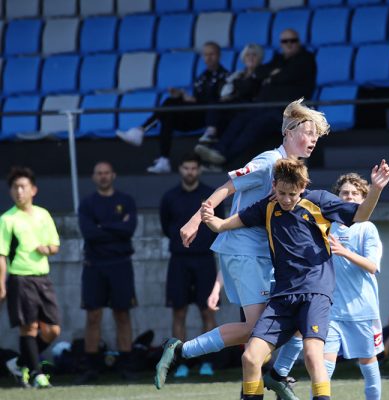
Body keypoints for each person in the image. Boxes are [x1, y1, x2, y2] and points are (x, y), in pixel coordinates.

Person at [154, 98, 330, 389]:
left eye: (316, 136)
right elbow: (226, 187)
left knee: (296, 316)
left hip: (265, 255)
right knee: (256, 330)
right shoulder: (267, 162)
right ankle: (181, 349)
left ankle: (276, 374)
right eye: (308, 132)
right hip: (244, 251)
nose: (312, 140)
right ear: (288, 132)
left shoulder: (291, 169)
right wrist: (195, 220)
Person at [199, 158, 389, 400]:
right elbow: (224, 224)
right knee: (250, 357)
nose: (287, 199)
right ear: (273, 186)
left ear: (303, 187)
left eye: (293, 194)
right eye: (281, 193)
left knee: (314, 356)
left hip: (315, 293)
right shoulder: (267, 206)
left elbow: (361, 215)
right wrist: (210, 219)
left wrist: (376, 189)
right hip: (282, 296)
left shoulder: (319, 201)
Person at [264, 172, 386, 400]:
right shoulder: (325, 223)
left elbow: (372, 266)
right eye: (344, 193)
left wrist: (344, 252)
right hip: (331, 309)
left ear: (363, 198)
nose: (349, 197)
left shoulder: (366, 228)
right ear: (337, 197)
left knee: (368, 365)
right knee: (321, 364)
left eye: (355, 193)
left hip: (362, 311)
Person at [194, 29, 317, 166]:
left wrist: (274, 76)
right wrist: (274, 75)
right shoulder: (279, 58)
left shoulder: (306, 59)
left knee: (256, 123)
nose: (289, 44)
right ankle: (218, 151)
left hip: (289, 112)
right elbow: (260, 71)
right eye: (285, 41)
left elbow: (287, 76)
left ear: (298, 42)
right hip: (266, 106)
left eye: (292, 41)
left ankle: (224, 158)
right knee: (241, 117)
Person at [117, 41, 229, 174]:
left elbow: (218, 101)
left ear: (219, 55)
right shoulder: (202, 77)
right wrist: (182, 95)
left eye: (212, 54)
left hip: (209, 118)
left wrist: (191, 99)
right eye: (205, 55)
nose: (208, 58)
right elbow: (197, 99)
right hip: (194, 113)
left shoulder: (225, 76)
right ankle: (164, 160)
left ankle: (140, 130)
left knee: (170, 103)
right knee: (168, 112)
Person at [159, 154, 224, 378]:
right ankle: (180, 363)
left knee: (208, 311)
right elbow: (166, 226)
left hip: (205, 259)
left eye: (194, 168)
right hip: (179, 261)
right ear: (180, 170)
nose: (190, 172)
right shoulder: (169, 197)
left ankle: (208, 362)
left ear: (199, 170)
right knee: (179, 312)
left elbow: (220, 225)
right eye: (186, 167)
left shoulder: (210, 197)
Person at [76, 161, 138, 383]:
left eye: (106, 173)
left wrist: (103, 226)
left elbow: (128, 230)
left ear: (113, 175)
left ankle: (127, 365)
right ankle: (90, 367)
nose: (103, 176)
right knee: (93, 316)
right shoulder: (86, 204)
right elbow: (89, 233)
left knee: (122, 314)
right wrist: (114, 227)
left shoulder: (126, 201)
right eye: (99, 173)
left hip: (121, 264)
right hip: (94, 266)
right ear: (94, 177)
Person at [0, 166, 61, 389]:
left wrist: (47, 249)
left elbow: (55, 245)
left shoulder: (43, 215)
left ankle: (19, 362)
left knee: (53, 330)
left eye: (23, 187)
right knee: (29, 327)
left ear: (33, 190)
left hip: (42, 278)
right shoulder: (7, 220)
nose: (19, 191)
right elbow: (2, 254)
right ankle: (36, 374)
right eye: (15, 187)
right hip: (20, 278)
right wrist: (1, 284)